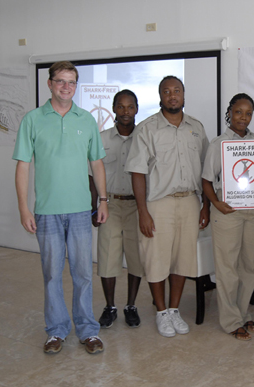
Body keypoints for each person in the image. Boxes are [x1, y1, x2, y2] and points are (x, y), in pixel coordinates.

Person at [13, 61, 107, 354]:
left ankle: (88, 331)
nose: (66, 87)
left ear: (76, 86)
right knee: (52, 274)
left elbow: (97, 163)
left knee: (82, 274)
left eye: (72, 82)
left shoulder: (86, 120)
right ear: (50, 84)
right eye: (61, 81)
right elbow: (23, 166)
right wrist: (24, 208)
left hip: (80, 210)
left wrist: (103, 199)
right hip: (47, 212)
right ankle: (56, 331)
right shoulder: (32, 120)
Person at [124, 76, 210, 338]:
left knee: (183, 259)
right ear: (160, 96)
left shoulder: (196, 127)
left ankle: (174, 309)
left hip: (189, 202)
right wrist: (143, 212)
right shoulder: (148, 128)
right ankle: (161, 312)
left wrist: (205, 205)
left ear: (184, 95)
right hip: (158, 204)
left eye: (177, 91)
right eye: (167, 91)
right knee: (156, 259)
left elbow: (207, 169)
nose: (172, 96)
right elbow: (137, 173)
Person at [202, 93, 254, 341]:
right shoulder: (218, 143)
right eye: (238, 112)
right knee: (227, 268)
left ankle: (243, 314)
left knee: (248, 266)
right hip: (228, 212)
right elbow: (206, 180)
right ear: (230, 112)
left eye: (248, 113)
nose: (243, 117)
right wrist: (216, 204)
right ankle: (231, 321)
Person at [90, 90, 144, 329]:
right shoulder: (101, 139)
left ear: (137, 109)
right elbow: (92, 175)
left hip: (136, 206)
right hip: (109, 204)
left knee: (136, 258)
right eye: (120, 106)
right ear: (113, 108)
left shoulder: (144, 138)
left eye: (130, 106)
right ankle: (110, 306)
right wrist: (94, 206)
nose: (125, 111)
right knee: (107, 257)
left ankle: (131, 305)